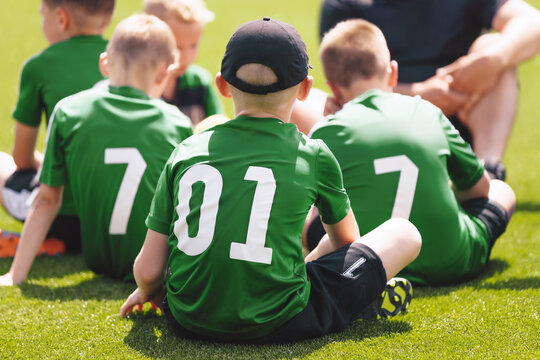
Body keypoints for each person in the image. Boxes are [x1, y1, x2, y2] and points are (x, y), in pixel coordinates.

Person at [120, 17, 421, 344]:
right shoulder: (314, 154)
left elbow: (148, 271)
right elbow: (346, 242)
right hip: (282, 320)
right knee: (404, 233)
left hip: (187, 319)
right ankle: (356, 299)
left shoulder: (186, 151)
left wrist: (149, 291)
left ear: (222, 85)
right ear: (306, 89)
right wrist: (309, 266)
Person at [308, 19, 516, 286]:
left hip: (363, 264)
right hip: (452, 262)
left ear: (333, 88)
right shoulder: (428, 111)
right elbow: (479, 189)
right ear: (392, 72)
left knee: (315, 217)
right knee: (500, 190)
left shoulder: (326, 130)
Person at [0, 14, 193, 285]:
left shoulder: (68, 111)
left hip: (98, 261)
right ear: (165, 72)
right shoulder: (177, 122)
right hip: (154, 267)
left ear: (105, 63)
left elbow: (46, 200)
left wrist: (15, 275)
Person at [319, 0, 540, 180]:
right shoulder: (345, 6)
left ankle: (488, 172)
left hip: (462, 113)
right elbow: (345, 90)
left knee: (494, 46)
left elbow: (532, 20)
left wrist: (494, 59)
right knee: (313, 99)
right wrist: (421, 96)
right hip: (386, 124)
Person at [0, 0, 116, 254]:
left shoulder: (39, 66)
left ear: (61, 19)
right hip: (114, 219)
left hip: (58, 217)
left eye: (43, 15)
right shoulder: (125, 61)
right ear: (108, 18)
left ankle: (45, 240)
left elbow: (21, 158)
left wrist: (47, 162)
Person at [144, 0, 223, 126]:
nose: (186, 57)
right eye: (177, 47)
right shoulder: (141, 85)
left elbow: (218, 126)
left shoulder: (199, 81)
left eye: (194, 45)